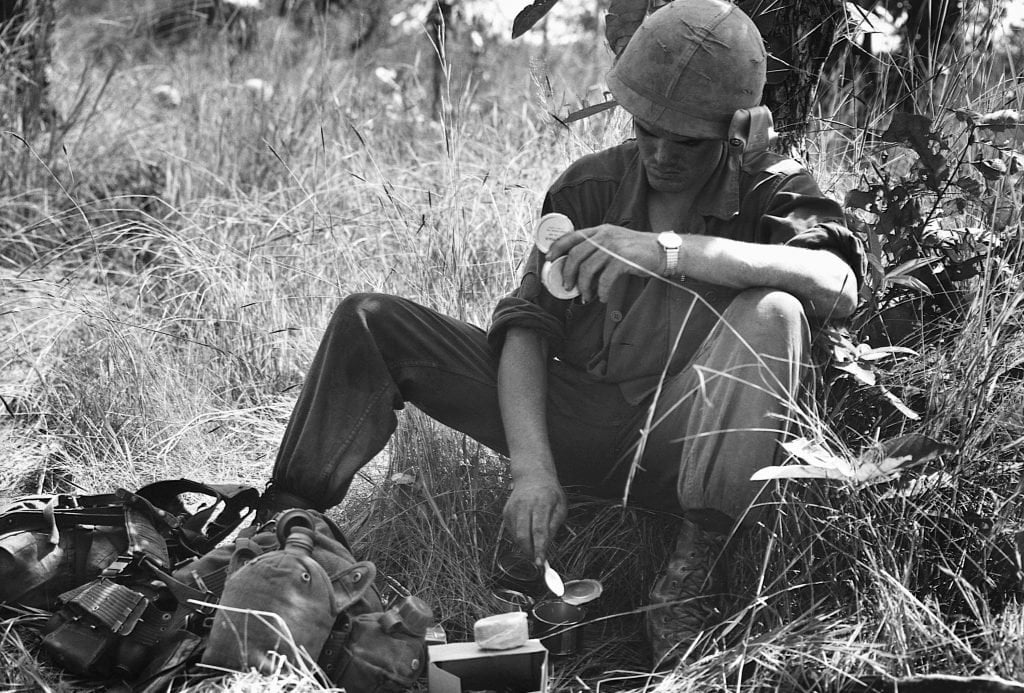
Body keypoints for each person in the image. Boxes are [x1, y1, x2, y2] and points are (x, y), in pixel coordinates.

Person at [257, 0, 865, 666]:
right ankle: (286, 528)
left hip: (682, 446)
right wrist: (532, 470)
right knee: (368, 320)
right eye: (646, 130)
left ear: (737, 126)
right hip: (574, 420)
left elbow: (838, 283)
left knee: (775, 311)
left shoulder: (773, 186)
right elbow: (526, 328)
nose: (659, 154)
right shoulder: (588, 186)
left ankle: (689, 584)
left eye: (687, 142)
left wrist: (669, 249)